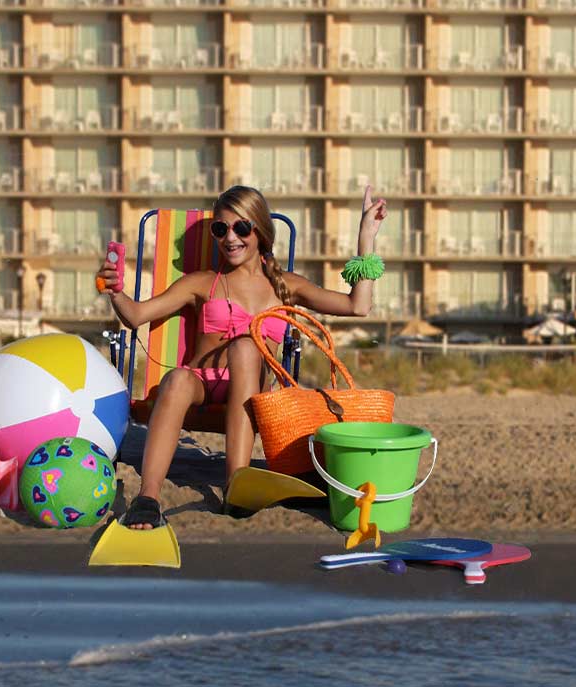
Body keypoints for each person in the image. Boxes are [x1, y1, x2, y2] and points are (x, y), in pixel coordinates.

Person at [95, 184, 388, 530]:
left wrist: (365, 238)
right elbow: (136, 315)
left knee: (247, 346)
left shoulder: (286, 286)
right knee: (175, 379)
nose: (229, 237)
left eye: (241, 227)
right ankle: (149, 496)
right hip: (202, 385)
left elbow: (358, 305)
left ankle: (236, 483)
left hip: (255, 393)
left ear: (260, 230)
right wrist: (115, 291)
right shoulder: (201, 283)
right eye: (220, 229)